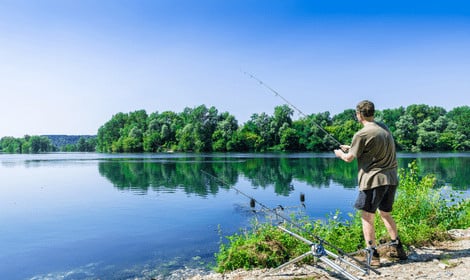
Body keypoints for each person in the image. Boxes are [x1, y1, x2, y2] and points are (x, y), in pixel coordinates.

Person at [334, 100, 407, 267]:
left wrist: (339, 153)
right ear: (372, 113)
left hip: (374, 180)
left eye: (357, 114)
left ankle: (372, 255)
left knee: (367, 216)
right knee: (385, 213)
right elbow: (367, 148)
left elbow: (348, 158)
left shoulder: (361, 134)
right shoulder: (384, 128)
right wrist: (351, 147)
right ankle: (397, 248)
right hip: (391, 179)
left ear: (359, 115)